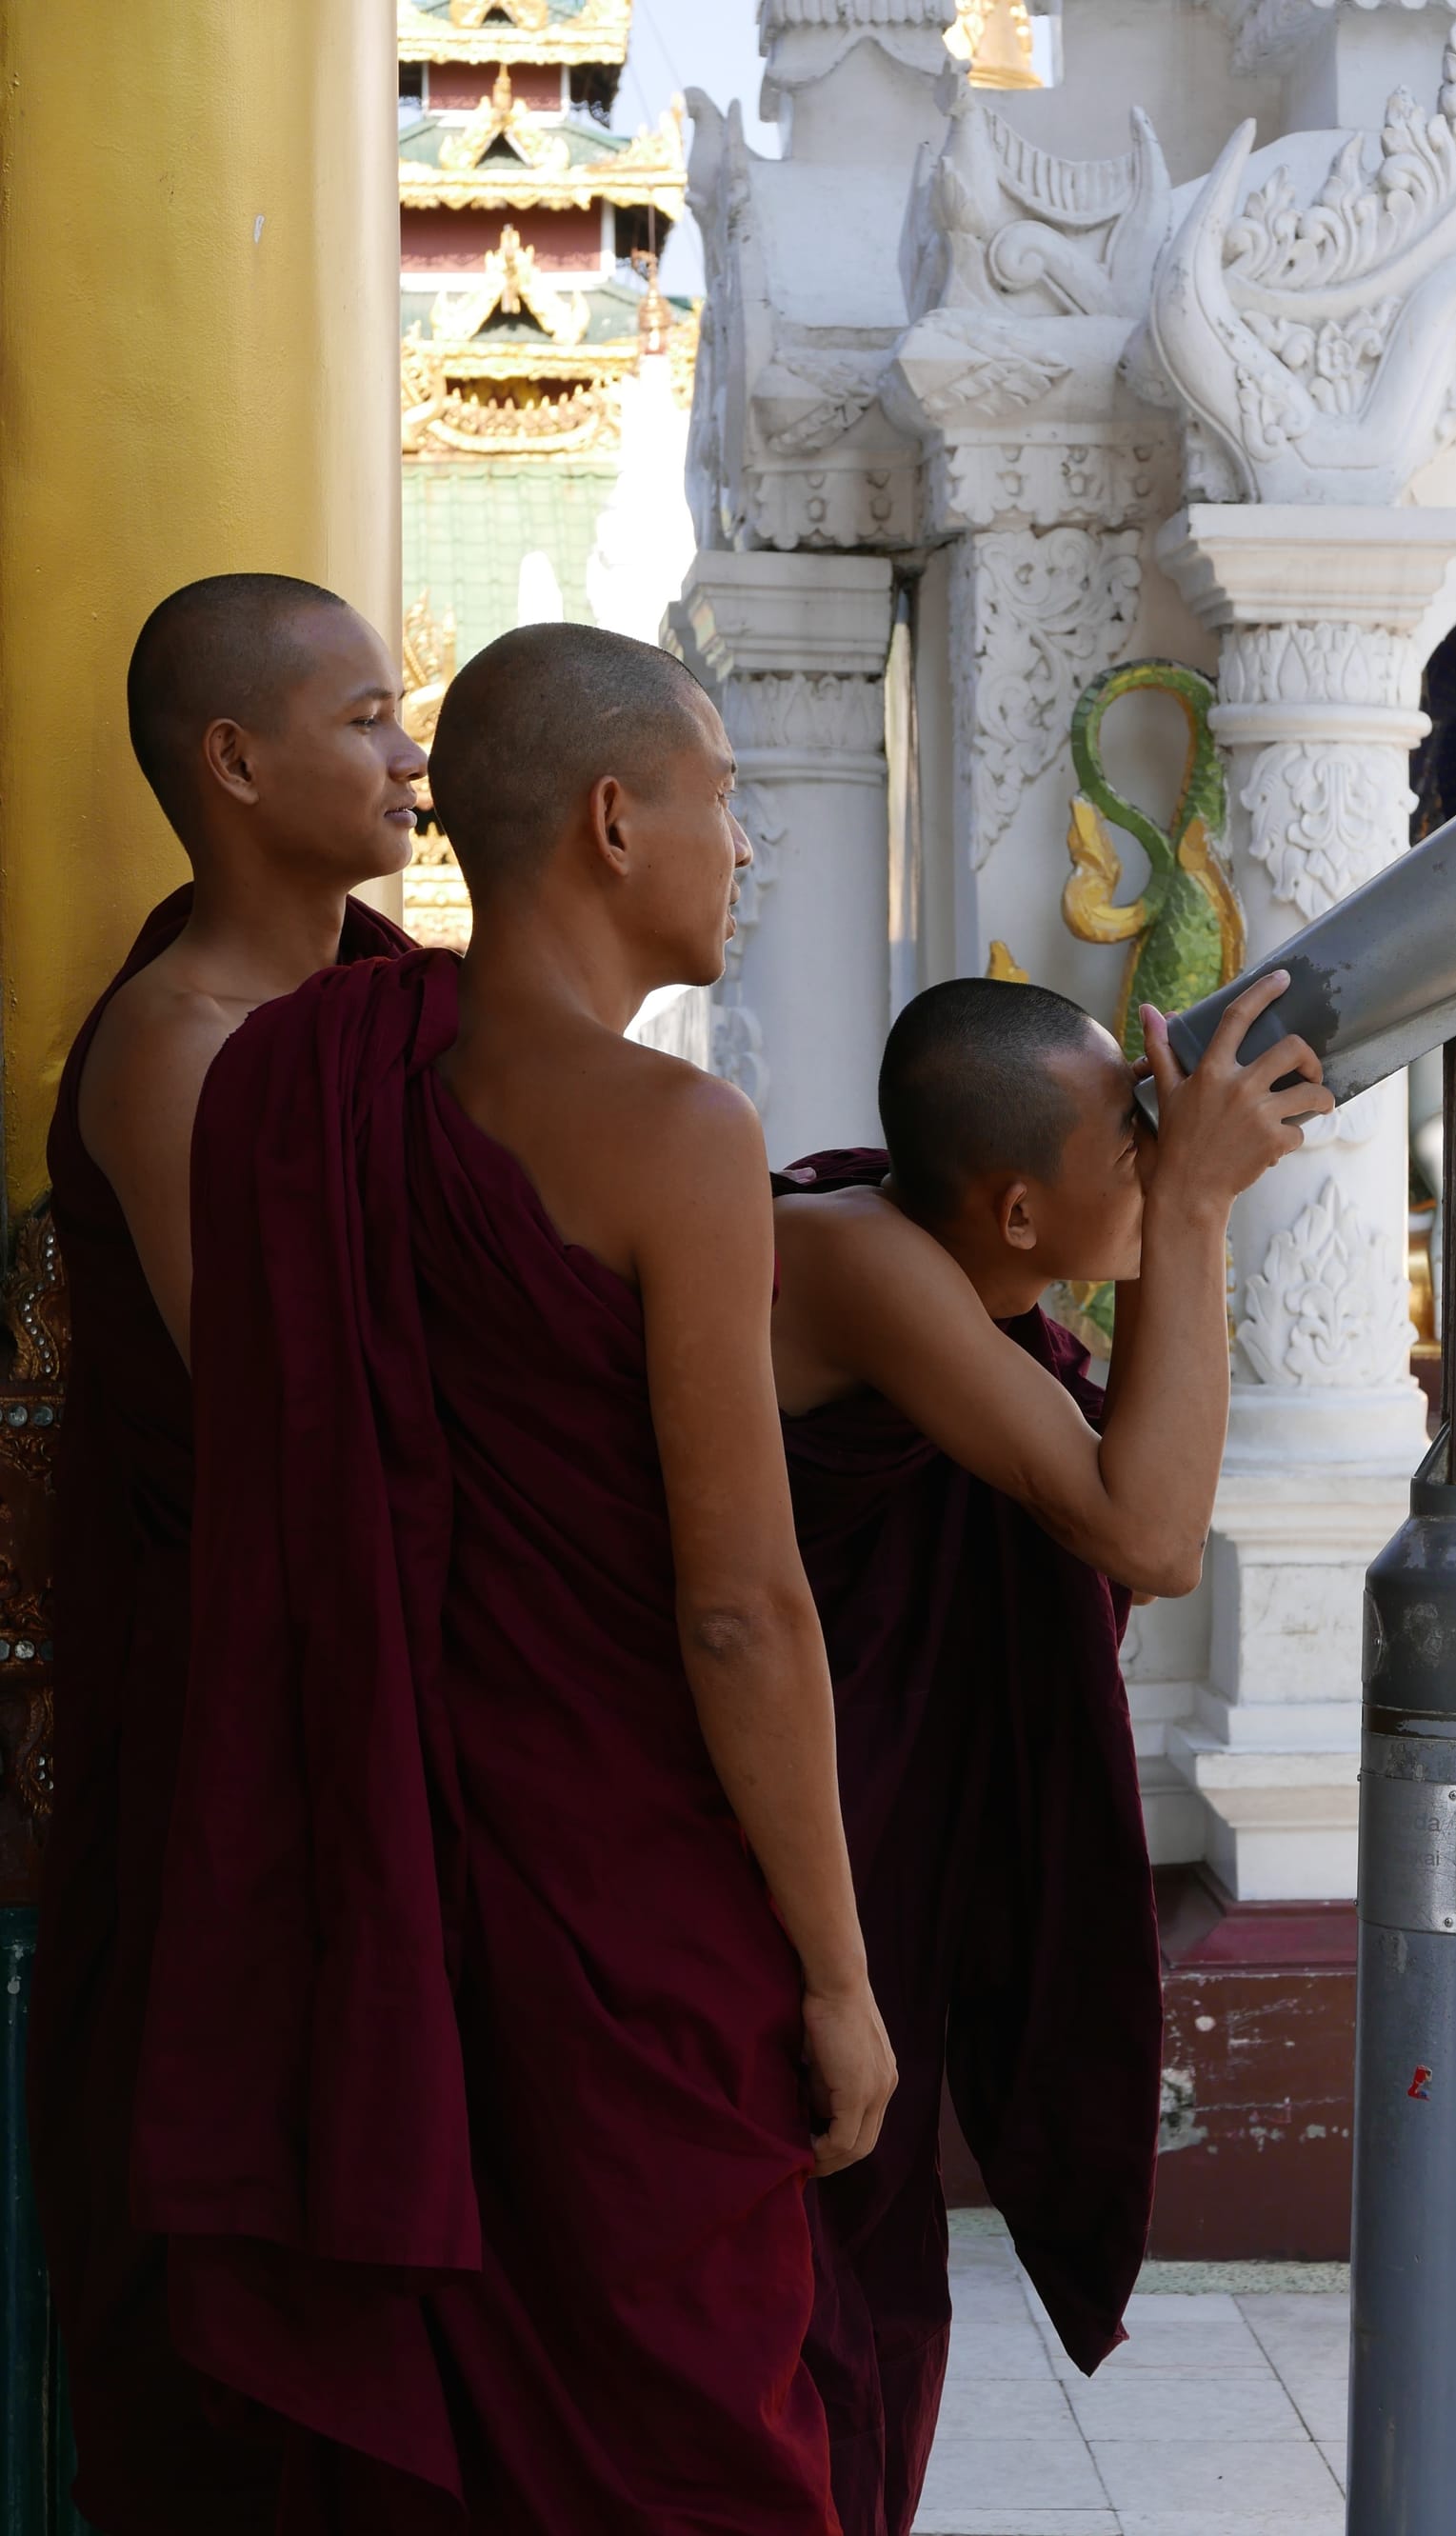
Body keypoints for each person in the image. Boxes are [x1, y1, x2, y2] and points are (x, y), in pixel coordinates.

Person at [131, 623, 896, 2532]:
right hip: (627, 1927)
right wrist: (835, 1972)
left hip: (369, 1896)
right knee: (688, 2450)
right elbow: (740, 1605)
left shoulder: (291, 1090)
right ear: (617, 819)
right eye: (725, 806)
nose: (746, 852)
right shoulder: (677, 1139)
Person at [769, 969, 1329, 2536]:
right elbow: (1148, 1534)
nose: (1158, 1162)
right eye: (1129, 1147)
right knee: (788, 2316)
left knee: (867, 2291)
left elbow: (1149, 1519)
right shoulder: (859, 1258)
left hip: (866, 1841)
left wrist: (1174, 1211)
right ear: (1016, 1212)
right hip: (745, 1863)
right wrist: (1200, 1220)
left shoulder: (966, 1275)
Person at [28, 572, 424, 2535]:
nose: (406, 755)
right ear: (236, 762)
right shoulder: (177, 1045)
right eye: (365, 718)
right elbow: (280, 1417)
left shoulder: (388, 987)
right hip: (241, 1691)